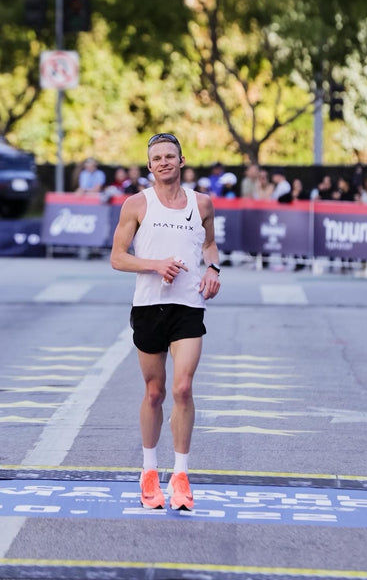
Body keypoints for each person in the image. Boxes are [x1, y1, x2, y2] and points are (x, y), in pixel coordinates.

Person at [110, 132, 221, 511]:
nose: (163, 162)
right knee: (155, 392)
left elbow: (209, 244)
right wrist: (155, 265)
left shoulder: (201, 203)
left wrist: (214, 269)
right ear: (149, 165)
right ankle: (149, 471)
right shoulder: (136, 204)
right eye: (156, 158)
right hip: (149, 307)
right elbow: (118, 257)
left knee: (184, 388)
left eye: (169, 156)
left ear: (182, 160)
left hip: (188, 306)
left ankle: (182, 474)